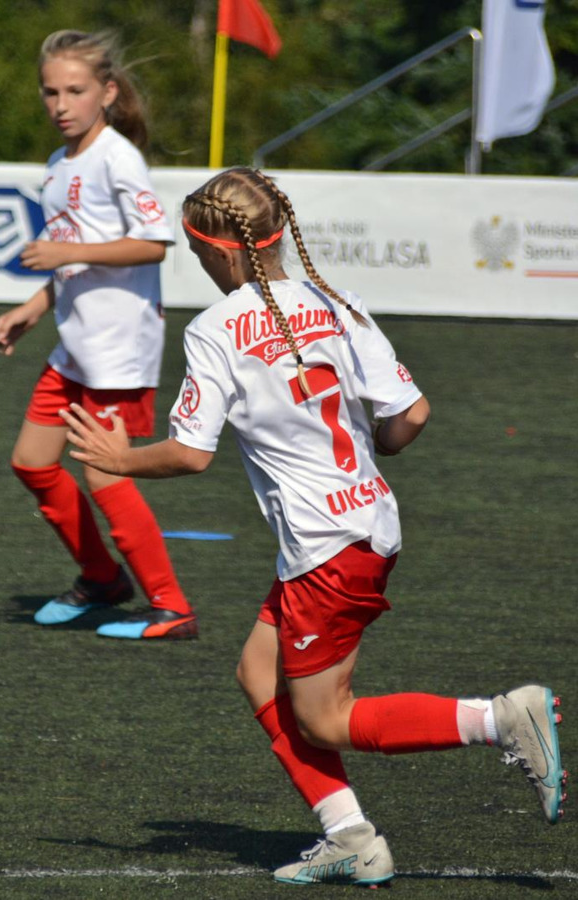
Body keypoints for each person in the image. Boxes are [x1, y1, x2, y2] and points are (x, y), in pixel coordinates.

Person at [61, 166, 566, 886]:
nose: (196, 263)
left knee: (326, 718)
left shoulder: (215, 329)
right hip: (365, 524)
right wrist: (374, 447)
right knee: (256, 672)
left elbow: (191, 454)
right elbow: (412, 414)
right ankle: (350, 837)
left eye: (196, 252)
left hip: (326, 547)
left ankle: (501, 718)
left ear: (224, 252)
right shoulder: (336, 299)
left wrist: (121, 459)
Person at [0, 30, 195, 639]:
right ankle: (102, 579)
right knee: (32, 463)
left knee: (107, 475)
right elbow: (73, 258)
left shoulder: (117, 157)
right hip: (75, 345)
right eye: (50, 92)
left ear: (106, 92)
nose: (61, 104)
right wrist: (34, 306)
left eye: (75, 91)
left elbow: (153, 244)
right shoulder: (57, 165)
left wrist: (65, 253)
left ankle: (172, 607)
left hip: (118, 349)